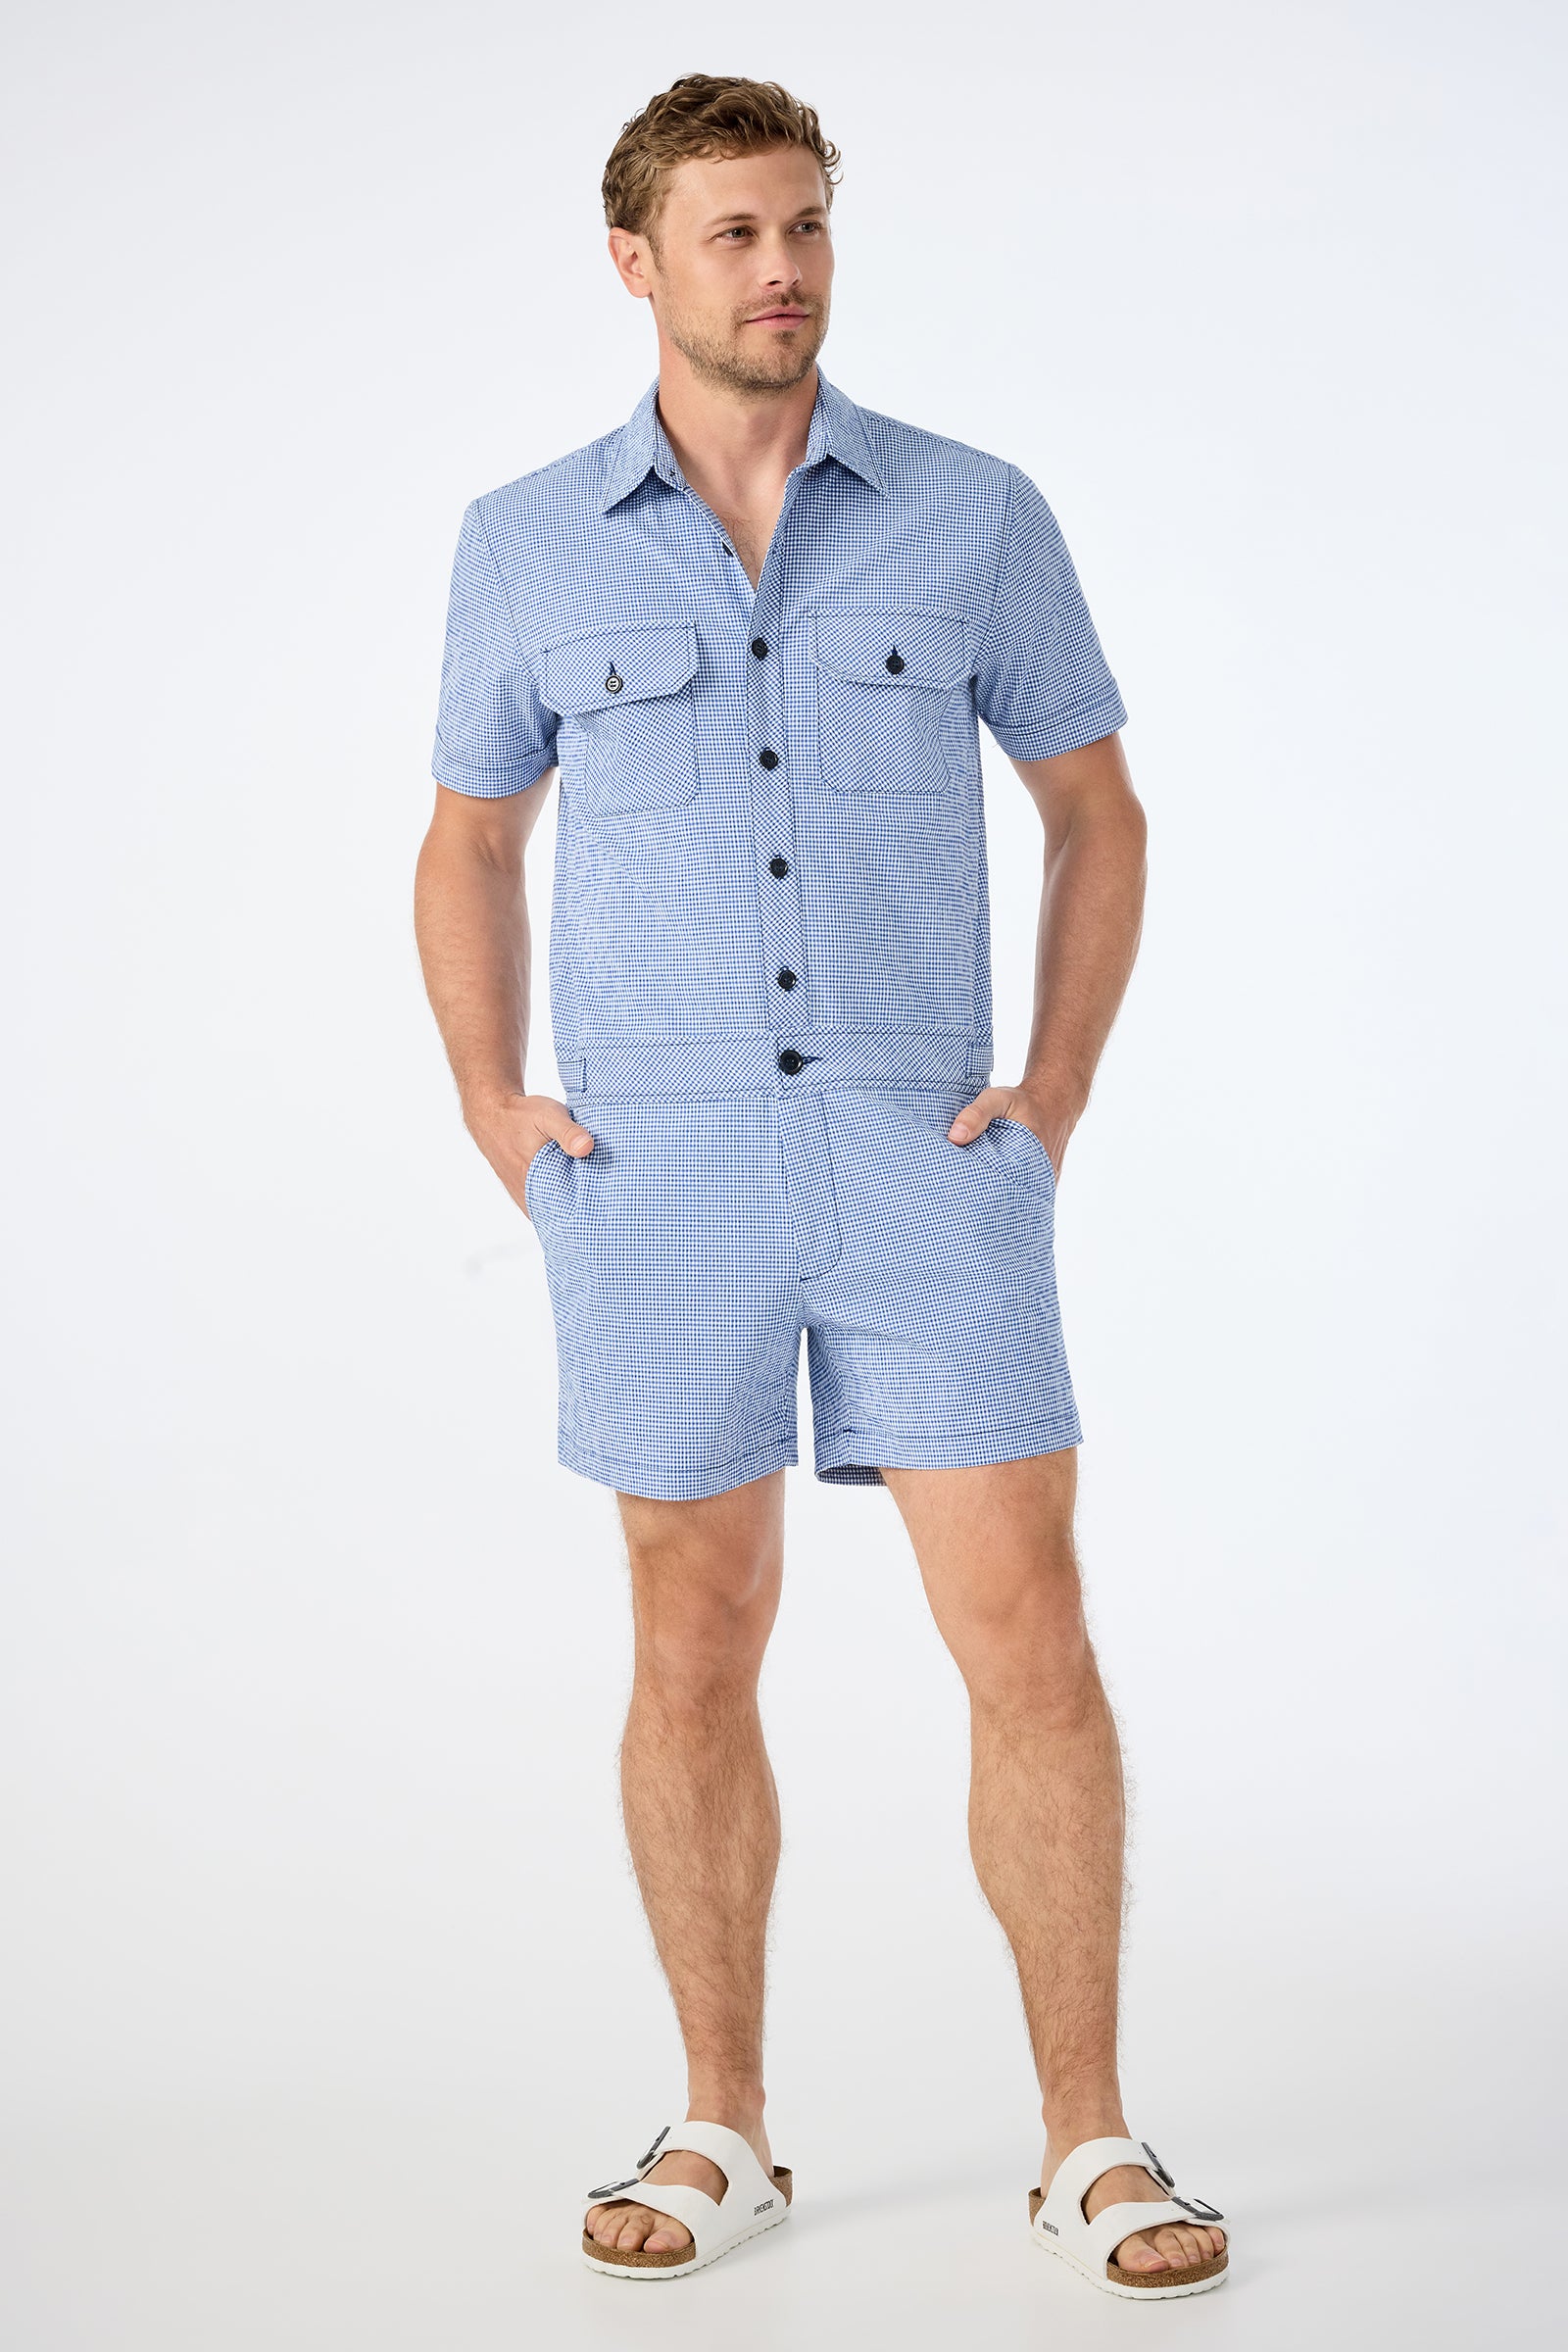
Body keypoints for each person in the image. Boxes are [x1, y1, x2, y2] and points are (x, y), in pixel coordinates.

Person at [415, 73, 1228, 2300]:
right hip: (653, 1165)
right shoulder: (524, 539)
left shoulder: (972, 512)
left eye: (804, 228)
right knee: (689, 1638)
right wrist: (492, 1101)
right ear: (635, 263)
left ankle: (1088, 2140)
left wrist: (1053, 1088)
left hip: (920, 1149)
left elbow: (1095, 810)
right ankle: (724, 2123)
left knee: (1027, 1632)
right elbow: (470, 834)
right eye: (733, 234)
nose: (781, 270)